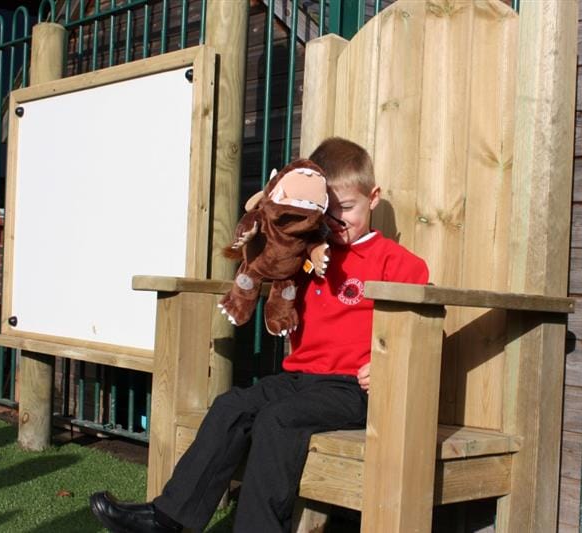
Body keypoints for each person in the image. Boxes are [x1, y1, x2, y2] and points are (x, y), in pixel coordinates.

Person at [89, 137, 430, 533]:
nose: (337, 223)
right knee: (230, 406)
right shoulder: (303, 254)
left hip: (349, 387)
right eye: (327, 213)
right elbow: (264, 236)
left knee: (277, 421)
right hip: (298, 378)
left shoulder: (398, 262)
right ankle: (168, 519)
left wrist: (386, 365)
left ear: (373, 198)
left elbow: (418, 329)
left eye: (347, 210)